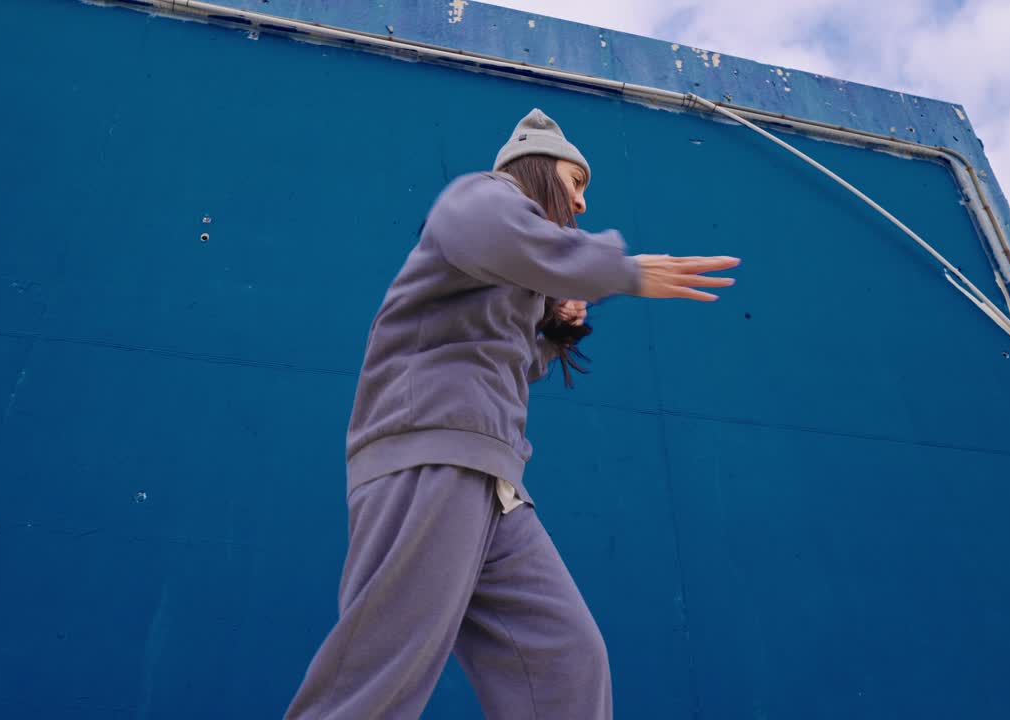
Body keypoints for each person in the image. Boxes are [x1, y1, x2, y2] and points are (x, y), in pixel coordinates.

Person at [285, 108, 740, 719]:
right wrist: (620, 271)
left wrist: (552, 332)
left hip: (494, 479)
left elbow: (502, 361)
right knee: (383, 668)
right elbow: (497, 235)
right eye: (576, 184)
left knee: (565, 659)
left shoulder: (510, 270)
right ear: (538, 167)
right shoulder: (481, 195)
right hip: (432, 453)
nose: (581, 205)